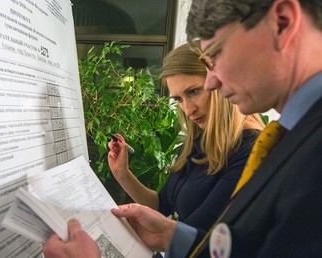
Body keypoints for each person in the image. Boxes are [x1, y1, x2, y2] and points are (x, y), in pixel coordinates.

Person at [43, 0, 322, 257]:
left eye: (217, 54)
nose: (213, 82)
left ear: (282, 22)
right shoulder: (290, 137)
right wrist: (170, 235)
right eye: (179, 98)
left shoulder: (291, 152)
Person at [107, 43, 264, 234]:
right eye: (179, 99)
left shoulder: (252, 150)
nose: (188, 110)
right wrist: (123, 173)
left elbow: (194, 233)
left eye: (194, 91)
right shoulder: (199, 138)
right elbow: (161, 205)